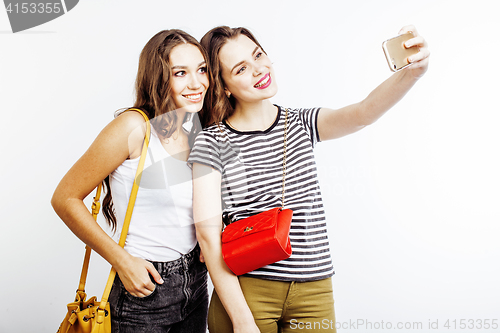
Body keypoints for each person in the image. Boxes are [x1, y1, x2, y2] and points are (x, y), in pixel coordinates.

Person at [188, 25, 430, 333]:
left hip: (314, 291)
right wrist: (242, 320)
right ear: (224, 86)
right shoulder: (212, 141)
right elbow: (208, 236)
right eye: (241, 69)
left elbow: (363, 112)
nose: (258, 69)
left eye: (258, 55)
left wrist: (412, 73)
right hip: (247, 294)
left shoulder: (301, 122)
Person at [51, 29, 210, 333]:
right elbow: (64, 198)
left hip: (196, 281)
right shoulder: (133, 126)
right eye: (180, 73)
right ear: (158, 78)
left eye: (201, 69)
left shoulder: (193, 126)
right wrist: (122, 261)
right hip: (145, 290)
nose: (197, 82)